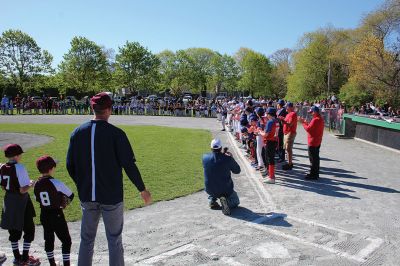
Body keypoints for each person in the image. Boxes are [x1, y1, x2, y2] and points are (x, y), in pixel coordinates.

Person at [66, 92, 152, 266]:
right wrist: (142, 189)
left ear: (92, 108)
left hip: (88, 195)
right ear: (109, 110)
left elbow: (70, 166)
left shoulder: (77, 133)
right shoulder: (116, 133)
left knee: (87, 240)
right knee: (114, 239)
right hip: (111, 196)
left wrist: (82, 185)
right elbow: (128, 164)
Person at [0, 144, 40, 266]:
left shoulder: (2, 167)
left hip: (8, 201)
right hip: (21, 201)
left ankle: (17, 257)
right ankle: (25, 259)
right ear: (16, 155)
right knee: (29, 229)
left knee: (14, 231)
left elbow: (3, 186)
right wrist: (31, 184)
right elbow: (23, 189)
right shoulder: (19, 167)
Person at [34, 156, 74, 266]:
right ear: (51, 168)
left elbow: (36, 198)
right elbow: (71, 195)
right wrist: (63, 204)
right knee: (66, 241)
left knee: (49, 239)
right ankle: (66, 264)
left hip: (44, 214)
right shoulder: (56, 182)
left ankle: (52, 264)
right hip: (56, 214)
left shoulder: (37, 184)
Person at [202, 139, 241, 216]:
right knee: (236, 202)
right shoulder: (227, 158)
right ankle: (227, 203)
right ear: (221, 148)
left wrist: (223, 155)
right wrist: (231, 158)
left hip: (209, 189)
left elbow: (216, 162)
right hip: (225, 190)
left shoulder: (204, 157)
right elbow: (237, 170)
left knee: (213, 179)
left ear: (211, 148)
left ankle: (212, 200)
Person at [300, 106, 324, 180]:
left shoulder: (315, 120)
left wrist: (303, 123)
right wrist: (306, 122)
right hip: (317, 141)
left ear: (315, 112)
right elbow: (311, 127)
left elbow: (308, 129)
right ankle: (315, 174)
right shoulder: (320, 119)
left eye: (312, 112)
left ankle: (313, 174)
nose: (311, 114)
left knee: (313, 159)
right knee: (316, 158)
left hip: (313, 142)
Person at [261, 108, 280, 184]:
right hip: (274, 141)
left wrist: (260, 132)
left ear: (269, 114)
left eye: (267, 114)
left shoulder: (270, 122)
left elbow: (266, 134)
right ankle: (271, 175)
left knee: (270, 159)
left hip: (270, 141)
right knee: (271, 158)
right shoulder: (277, 121)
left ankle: (271, 177)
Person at [280, 102, 298, 170]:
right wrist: (282, 120)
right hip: (286, 132)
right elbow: (284, 123)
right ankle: (288, 162)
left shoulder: (293, 114)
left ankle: (290, 163)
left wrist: (283, 120)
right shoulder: (288, 114)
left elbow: (290, 124)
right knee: (286, 148)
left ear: (290, 107)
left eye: (287, 107)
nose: (286, 108)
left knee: (288, 148)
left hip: (290, 132)